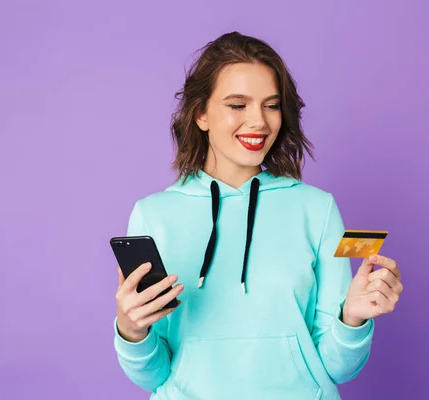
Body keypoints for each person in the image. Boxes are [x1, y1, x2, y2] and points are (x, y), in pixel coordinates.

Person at [113, 31, 403, 399]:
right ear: (200, 113)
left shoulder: (318, 209)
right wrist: (131, 330)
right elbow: (152, 376)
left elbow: (336, 369)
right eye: (238, 105)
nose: (259, 122)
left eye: (271, 105)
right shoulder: (153, 214)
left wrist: (353, 319)